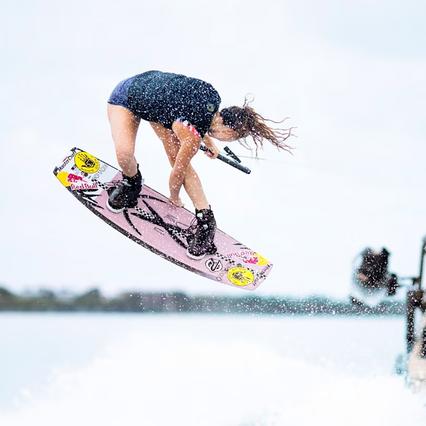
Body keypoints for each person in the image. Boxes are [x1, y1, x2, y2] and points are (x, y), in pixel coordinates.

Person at [106, 70, 293, 259]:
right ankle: (132, 182)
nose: (224, 141)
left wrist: (211, 144)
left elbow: (196, 118)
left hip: (159, 109)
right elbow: (178, 172)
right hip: (126, 97)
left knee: (174, 154)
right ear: (229, 130)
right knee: (125, 154)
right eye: (230, 139)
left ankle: (206, 221)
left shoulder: (213, 98)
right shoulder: (192, 136)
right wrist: (174, 197)